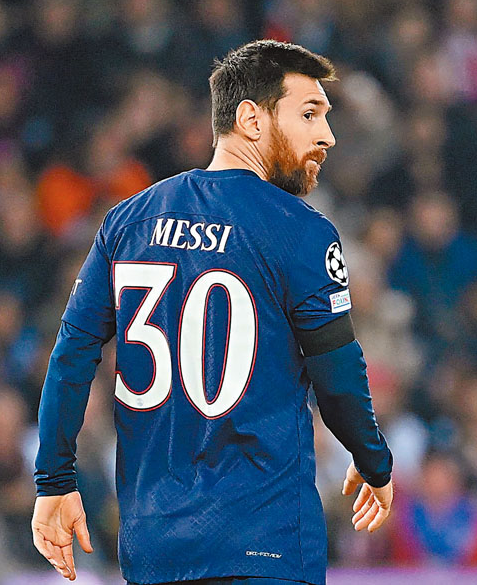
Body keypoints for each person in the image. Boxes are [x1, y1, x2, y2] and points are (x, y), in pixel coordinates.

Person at [31, 40, 394, 585]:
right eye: (309, 114)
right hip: (265, 544)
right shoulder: (301, 230)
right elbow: (337, 376)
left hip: (155, 550)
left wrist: (54, 482)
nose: (327, 136)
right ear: (250, 119)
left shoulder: (127, 222)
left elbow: (71, 355)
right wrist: (373, 461)